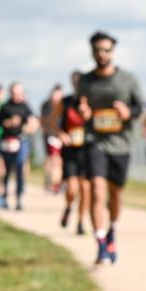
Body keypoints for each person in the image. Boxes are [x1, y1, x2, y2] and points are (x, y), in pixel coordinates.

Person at [77, 31, 145, 265]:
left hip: (121, 143)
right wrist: (84, 113)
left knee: (115, 192)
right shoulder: (85, 81)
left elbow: (140, 107)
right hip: (95, 141)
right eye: (97, 50)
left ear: (112, 52)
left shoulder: (128, 79)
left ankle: (112, 228)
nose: (101, 54)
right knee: (96, 189)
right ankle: (101, 243)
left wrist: (129, 113)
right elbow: (81, 107)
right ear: (92, 52)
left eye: (106, 50)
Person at [0, 82, 38, 210]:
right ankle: (4, 197)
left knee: (19, 166)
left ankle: (19, 198)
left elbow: (33, 122)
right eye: (14, 93)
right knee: (6, 171)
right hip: (7, 141)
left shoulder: (25, 107)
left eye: (19, 93)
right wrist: (8, 123)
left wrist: (29, 126)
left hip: (21, 141)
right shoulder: (5, 107)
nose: (17, 95)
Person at [59, 71, 90, 235]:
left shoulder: (91, 102)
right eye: (75, 82)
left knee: (85, 187)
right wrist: (61, 134)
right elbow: (53, 123)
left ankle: (80, 221)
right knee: (72, 189)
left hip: (87, 149)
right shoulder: (65, 102)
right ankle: (69, 206)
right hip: (70, 149)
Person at [40, 83, 65, 193]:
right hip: (50, 136)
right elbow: (44, 120)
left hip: (61, 136)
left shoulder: (64, 105)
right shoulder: (46, 105)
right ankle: (51, 183)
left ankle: (56, 183)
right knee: (54, 159)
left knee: (58, 160)